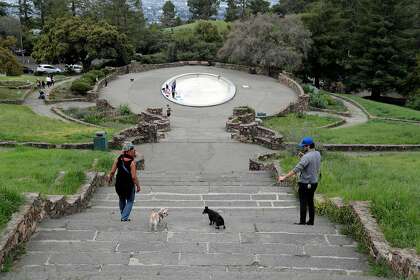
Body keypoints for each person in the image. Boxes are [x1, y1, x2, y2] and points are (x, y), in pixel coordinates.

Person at [278, 137, 321, 226]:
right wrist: (303, 157)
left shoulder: (306, 157)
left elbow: (296, 169)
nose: (303, 148)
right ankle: (311, 221)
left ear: (308, 146)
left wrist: (284, 177)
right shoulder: (317, 154)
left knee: (303, 202)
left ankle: (302, 221)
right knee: (310, 201)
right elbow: (311, 162)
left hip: (305, 183)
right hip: (314, 182)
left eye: (304, 146)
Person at [107, 142, 141, 222]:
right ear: (128, 151)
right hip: (128, 185)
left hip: (118, 184)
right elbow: (133, 177)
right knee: (130, 200)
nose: (134, 151)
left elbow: (112, 172)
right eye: (132, 149)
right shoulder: (132, 163)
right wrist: (138, 185)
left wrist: (110, 178)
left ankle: (123, 215)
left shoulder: (118, 159)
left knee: (121, 199)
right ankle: (124, 217)